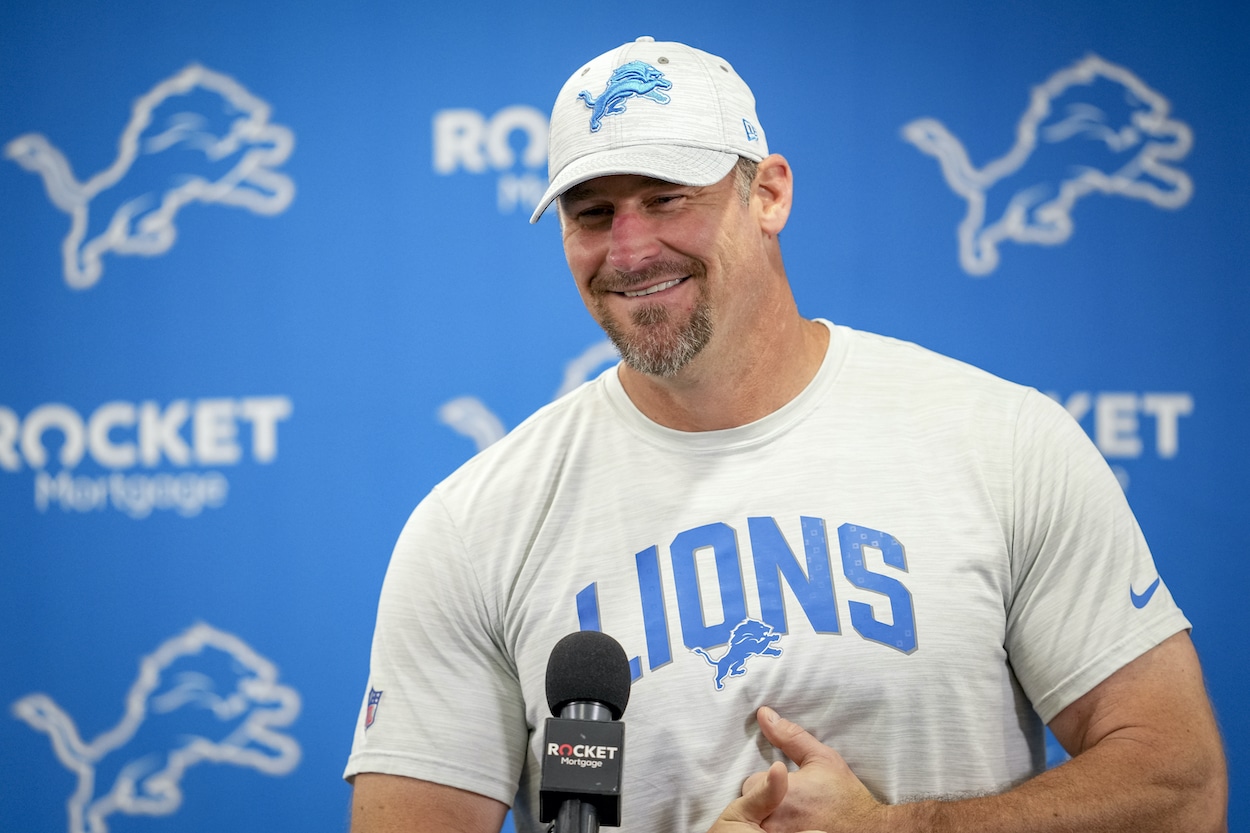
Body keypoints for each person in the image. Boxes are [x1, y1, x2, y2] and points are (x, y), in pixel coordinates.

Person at [345, 37, 1227, 833]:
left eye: (666, 196)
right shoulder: (474, 524)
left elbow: (1179, 787)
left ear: (766, 193)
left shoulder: (1001, 441)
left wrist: (895, 832)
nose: (631, 246)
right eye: (592, 212)